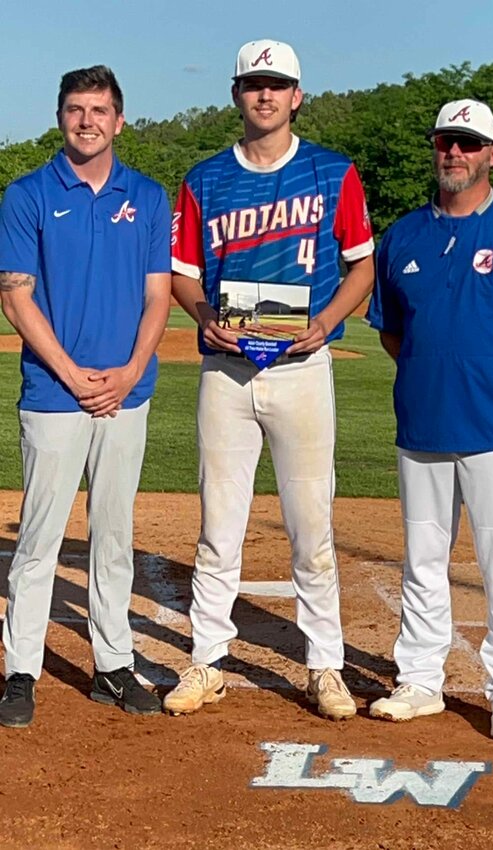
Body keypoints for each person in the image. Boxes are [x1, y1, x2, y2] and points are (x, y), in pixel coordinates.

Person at [164, 39, 374, 720]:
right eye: (253, 84)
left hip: (301, 368)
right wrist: (201, 313)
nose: (264, 95)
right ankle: (205, 662)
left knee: (310, 528)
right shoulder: (204, 179)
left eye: (276, 84)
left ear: (296, 96)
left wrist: (325, 322)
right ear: (236, 95)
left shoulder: (329, 172)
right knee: (217, 528)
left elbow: (361, 267)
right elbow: (184, 274)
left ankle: (324, 667)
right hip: (226, 370)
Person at [367, 99, 493, 740]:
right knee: (423, 557)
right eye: (446, 142)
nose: (455, 153)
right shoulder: (401, 237)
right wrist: (433, 375)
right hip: (423, 427)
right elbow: (392, 332)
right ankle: (421, 680)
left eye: (469, 143)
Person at [0, 65, 172, 727]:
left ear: (119, 119)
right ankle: (21, 672)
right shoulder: (28, 194)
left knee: (114, 535)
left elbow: (158, 294)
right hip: (53, 392)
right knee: (40, 538)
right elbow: (16, 296)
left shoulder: (148, 197)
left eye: (99, 109)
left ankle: (113, 665)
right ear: (59, 116)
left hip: (128, 392)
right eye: (75, 109)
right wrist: (73, 375)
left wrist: (130, 370)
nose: (87, 120)